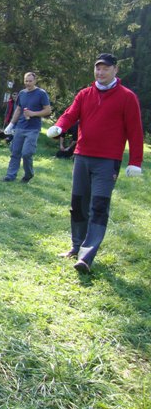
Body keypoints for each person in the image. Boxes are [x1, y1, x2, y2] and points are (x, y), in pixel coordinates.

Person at [46, 53, 143, 273]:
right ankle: (76, 246)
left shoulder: (127, 97)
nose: (100, 72)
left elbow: (135, 131)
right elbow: (70, 114)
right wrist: (59, 126)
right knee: (78, 203)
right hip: (82, 157)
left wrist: (135, 161)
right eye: (98, 68)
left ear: (115, 70)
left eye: (105, 68)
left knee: (98, 206)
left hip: (107, 162)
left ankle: (86, 256)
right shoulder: (85, 94)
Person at [3, 72, 51, 182]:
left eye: (30, 81)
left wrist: (33, 114)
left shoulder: (41, 93)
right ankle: (10, 176)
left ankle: (28, 174)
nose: (28, 83)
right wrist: (11, 124)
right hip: (20, 127)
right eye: (26, 81)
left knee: (27, 153)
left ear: (35, 81)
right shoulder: (22, 93)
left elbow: (48, 110)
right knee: (15, 152)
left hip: (33, 129)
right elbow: (19, 109)